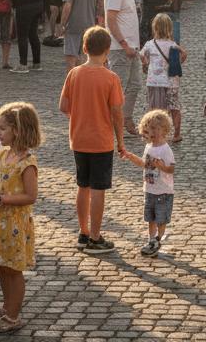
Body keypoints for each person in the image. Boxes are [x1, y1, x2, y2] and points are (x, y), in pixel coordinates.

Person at [59, 27, 124, 254]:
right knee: (98, 189)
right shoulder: (111, 78)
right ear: (107, 50)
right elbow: (117, 113)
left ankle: (83, 231)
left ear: (84, 48)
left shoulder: (74, 74)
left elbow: (64, 107)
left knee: (82, 186)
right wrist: (121, 143)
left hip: (79, 139)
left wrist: (80, 116)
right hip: (101, 140)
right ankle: (96, 238)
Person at [0, 102, 42, 334]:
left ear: (17, 131)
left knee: (13, 271)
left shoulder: (27, 163)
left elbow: (30, 195)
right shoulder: (3, 155)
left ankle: (13, 315)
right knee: (1, 266)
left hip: (15, 223)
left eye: (2, 129)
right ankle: (7, 305)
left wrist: (3, 198)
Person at [119, 109, 177, 257]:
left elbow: (171, 169)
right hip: (150, 188)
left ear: (164, 130)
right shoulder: (149, 147)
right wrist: (131, 156)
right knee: (150, 218)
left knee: (161, 219)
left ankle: (158, 239)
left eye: (154, 128)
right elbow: (144, 164)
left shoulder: (166, 149)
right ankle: (151, 239)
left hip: (163, 191)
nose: (151, 132)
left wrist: (162, 167)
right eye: (149, 128)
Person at [105, 0, 144, 131]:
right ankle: (115, 122)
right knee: (118, 88)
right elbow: (111, 20)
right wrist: (124, 43)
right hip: (120, 47)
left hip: (131, 46)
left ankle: (125, 117)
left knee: (135, 84)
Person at [142, 12, 185, 142]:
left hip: (155, 82)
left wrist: (146, 63)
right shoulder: (172, 44)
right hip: (171, 82)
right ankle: (176, 134)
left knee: (156, 109)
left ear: (154, 28)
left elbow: (142, 56)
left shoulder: (150, 44)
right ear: (169, 28)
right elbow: (183, 55)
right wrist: (177, 63)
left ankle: (156, 134)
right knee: (174, 108)